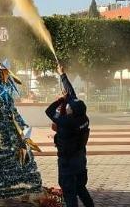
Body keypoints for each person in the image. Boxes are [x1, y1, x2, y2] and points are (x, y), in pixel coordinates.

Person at [45, 64, 94, 207]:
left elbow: (49, 111)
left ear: (73, 111)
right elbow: (72, 96)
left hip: (67, 161)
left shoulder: (66, 122)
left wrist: (61, 100)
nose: (69, 106)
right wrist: (62, 75)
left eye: (70, 106)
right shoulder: (83, 118)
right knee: (80, 188)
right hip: (80, 159)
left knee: (69, 191)